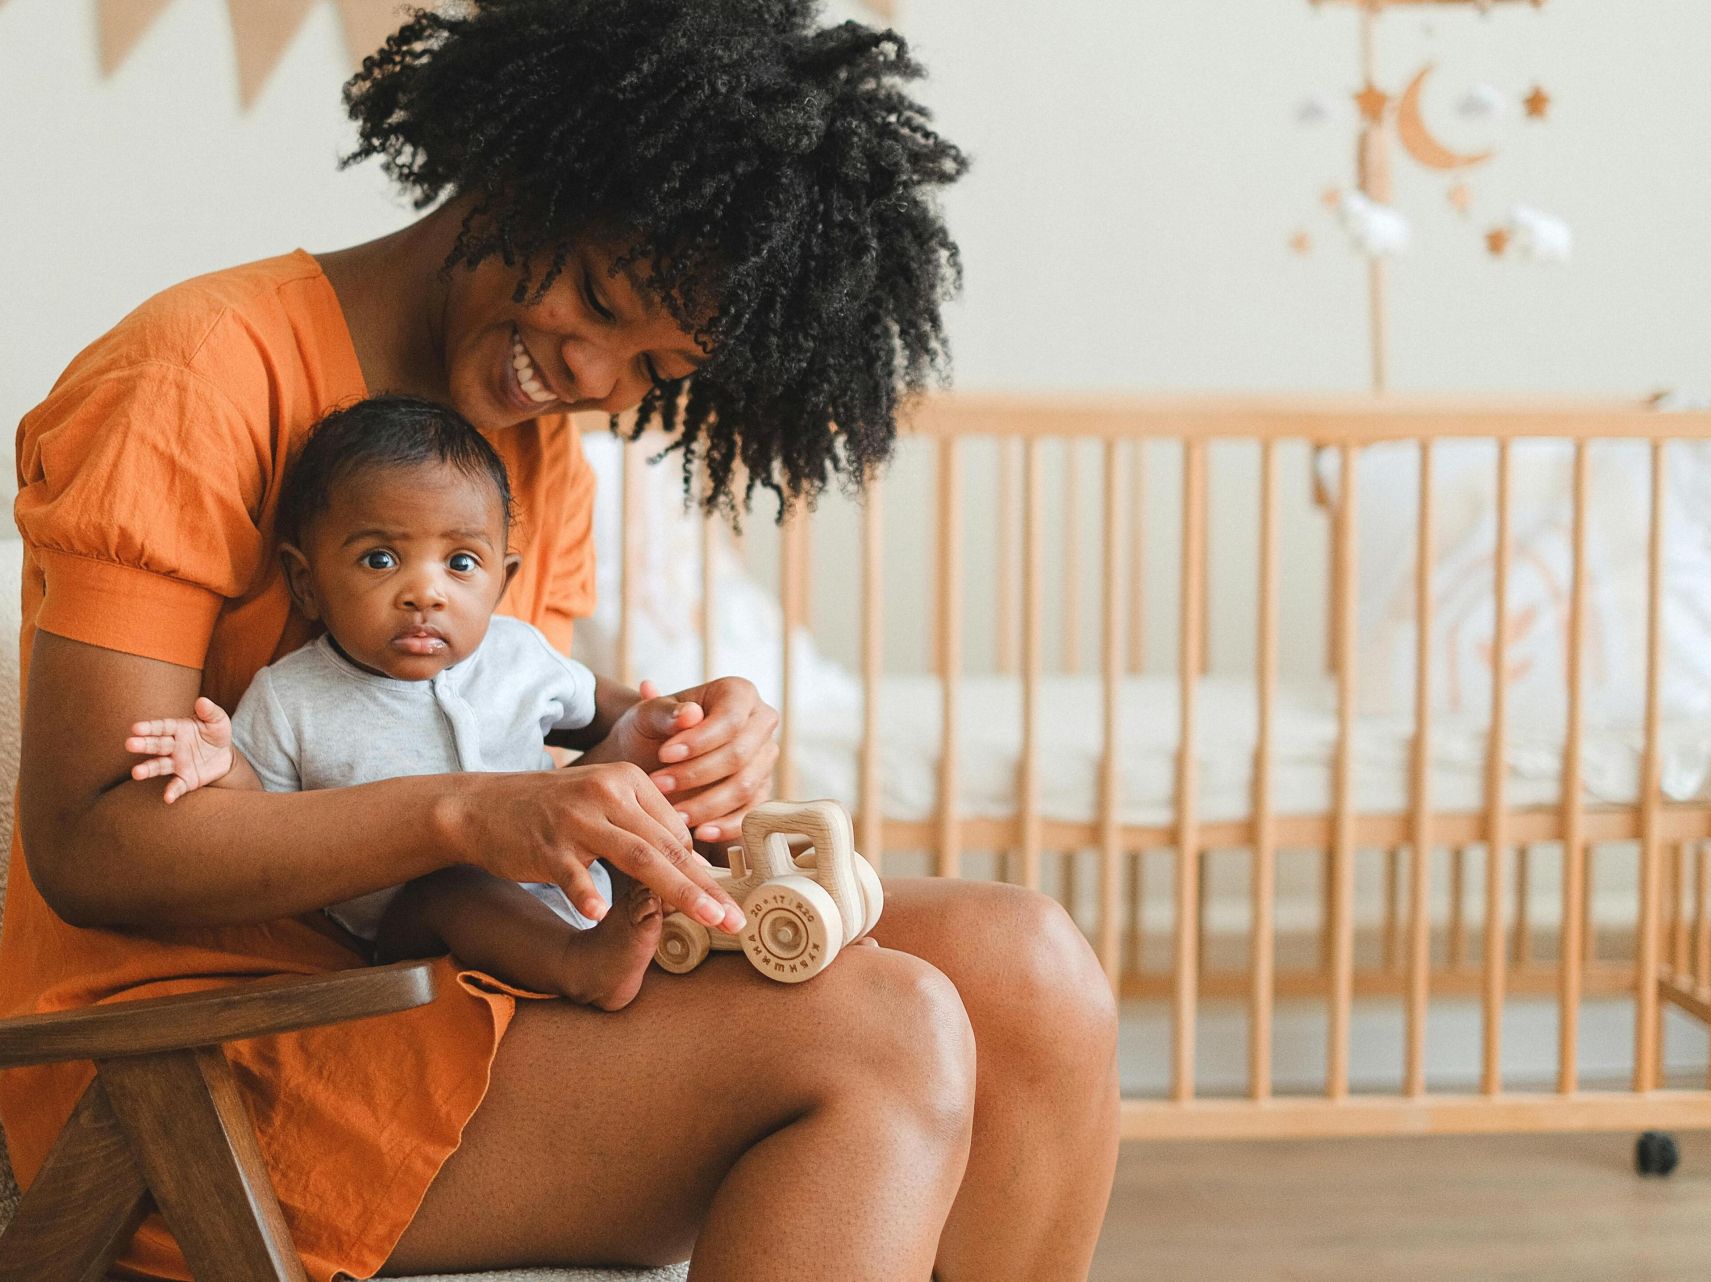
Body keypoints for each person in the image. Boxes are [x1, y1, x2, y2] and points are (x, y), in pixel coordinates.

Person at [1, 2, 1119, 1279]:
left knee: (1031, 968)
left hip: (466, 980)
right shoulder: (196, 376)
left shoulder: (537, 458)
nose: (594, 376)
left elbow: (508, 755)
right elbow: (93, 843)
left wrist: (658, 761)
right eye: (594, 297)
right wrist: (469, 814)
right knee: (886, 1027)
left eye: (657, 366)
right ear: (526, 169)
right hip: (212, 1051)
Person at [126, 395, 703, 1012]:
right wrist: (220, 763)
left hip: (569, 885)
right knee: (451, 886)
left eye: (460, 563)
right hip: (413, 930)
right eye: (381, 559)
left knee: (625, 797)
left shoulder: (519, 653)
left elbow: (601, 718)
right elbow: (256, 816)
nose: (425, 592)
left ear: (501, 582)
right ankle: (582, 965)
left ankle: (688, 912)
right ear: (306, 582)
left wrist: (660, 723)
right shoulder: (291, 694)